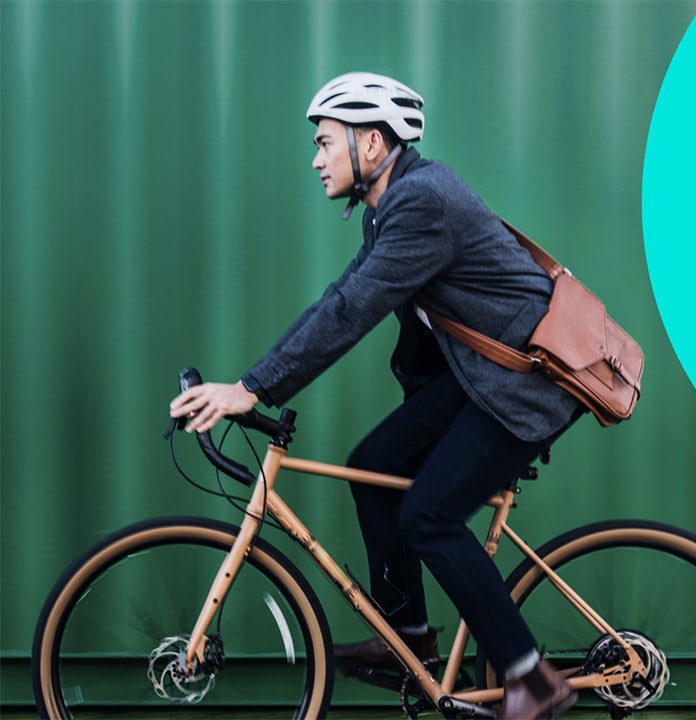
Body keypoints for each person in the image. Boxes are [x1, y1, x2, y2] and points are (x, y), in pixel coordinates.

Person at [169, 71, 580, 719]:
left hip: (522, 387)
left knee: (428, 515)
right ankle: (407, 637)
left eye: (326, 141)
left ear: (372, 142)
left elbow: (352, 312)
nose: (315, 158)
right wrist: (253, 384)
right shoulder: (391, 208)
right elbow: (338, 299)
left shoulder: (422, 203)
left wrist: (252, 389)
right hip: (479, 379)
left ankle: (532, 678)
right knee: (373, 468)